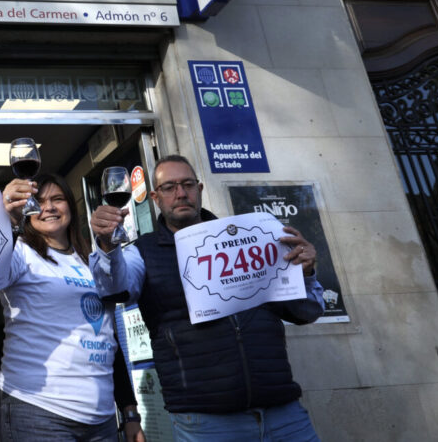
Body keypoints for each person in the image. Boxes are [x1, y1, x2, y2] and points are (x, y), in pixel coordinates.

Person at [88, 154, 324, 442]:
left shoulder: (251, 237)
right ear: (155, 198)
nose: (181, 193)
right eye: (169, 187)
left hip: (284, 413)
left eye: (187, 184)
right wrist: (107, 245)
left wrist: (306, 273)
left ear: (199, 189)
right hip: (205, 422)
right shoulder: (143, 252)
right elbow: (114, 288)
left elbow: (306, 312)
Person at [0, 173, 146, 442]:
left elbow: (107, 339)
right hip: (38, 411)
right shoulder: (19, 253)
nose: (49, 208)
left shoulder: (91, 260)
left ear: (71, 205)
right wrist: (7, 221)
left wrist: (129, 411)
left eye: (57, 199)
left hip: (101, 419)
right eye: (39, 202)